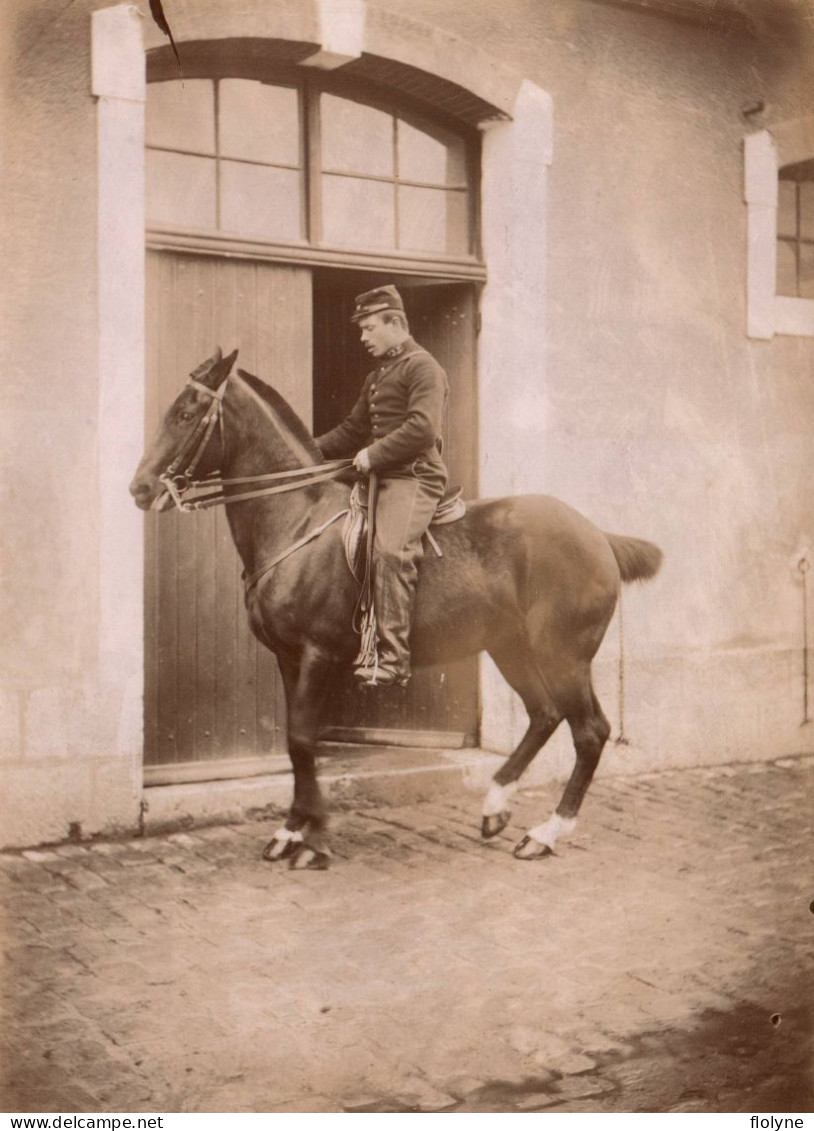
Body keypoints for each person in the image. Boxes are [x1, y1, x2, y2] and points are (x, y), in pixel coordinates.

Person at [315, 285, 449, 687]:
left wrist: (373, 455)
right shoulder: (378, 376)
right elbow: (353, 429)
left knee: (390, 551)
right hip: (378, 477)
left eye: (370, 328)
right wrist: (302, 452)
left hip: (413, 477)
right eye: (362, 329)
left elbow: (423, 427)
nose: (363, 337)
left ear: (396, 323)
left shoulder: (423, 367)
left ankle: (392, 658)